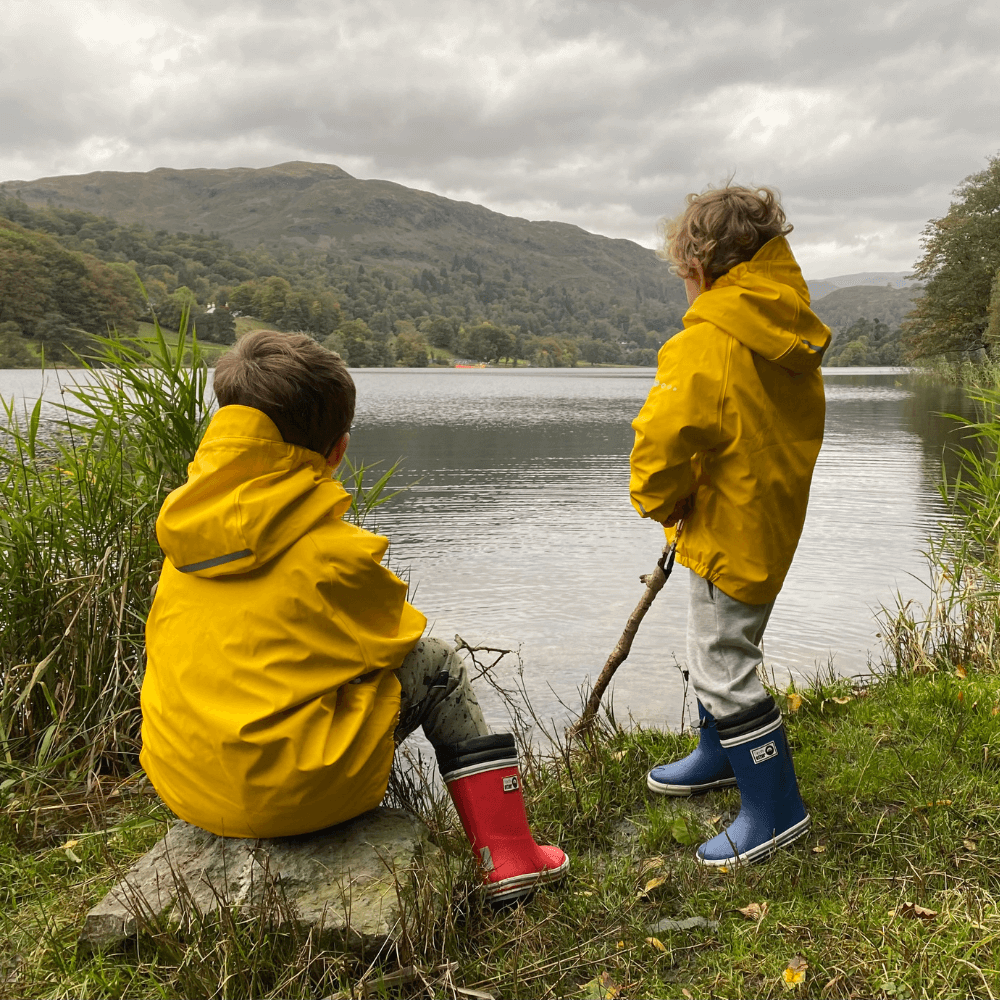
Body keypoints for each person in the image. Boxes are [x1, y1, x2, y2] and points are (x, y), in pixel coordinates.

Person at [140, 329, 567, 904]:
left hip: (185, 786)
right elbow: (398, 640)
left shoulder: (185, 537)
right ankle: (511, 858)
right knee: (437, 663)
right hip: (298, 798)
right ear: (338, 450)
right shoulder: (334, 551)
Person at [630, 184, 830, 866]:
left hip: (726, 525)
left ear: (700, 267)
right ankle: (718, 754)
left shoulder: (708, 342)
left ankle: (776, 810)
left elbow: (664, 439)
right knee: (714, 641)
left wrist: (660, 500)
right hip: (768, 514)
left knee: (722, 664)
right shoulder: (785, 326)